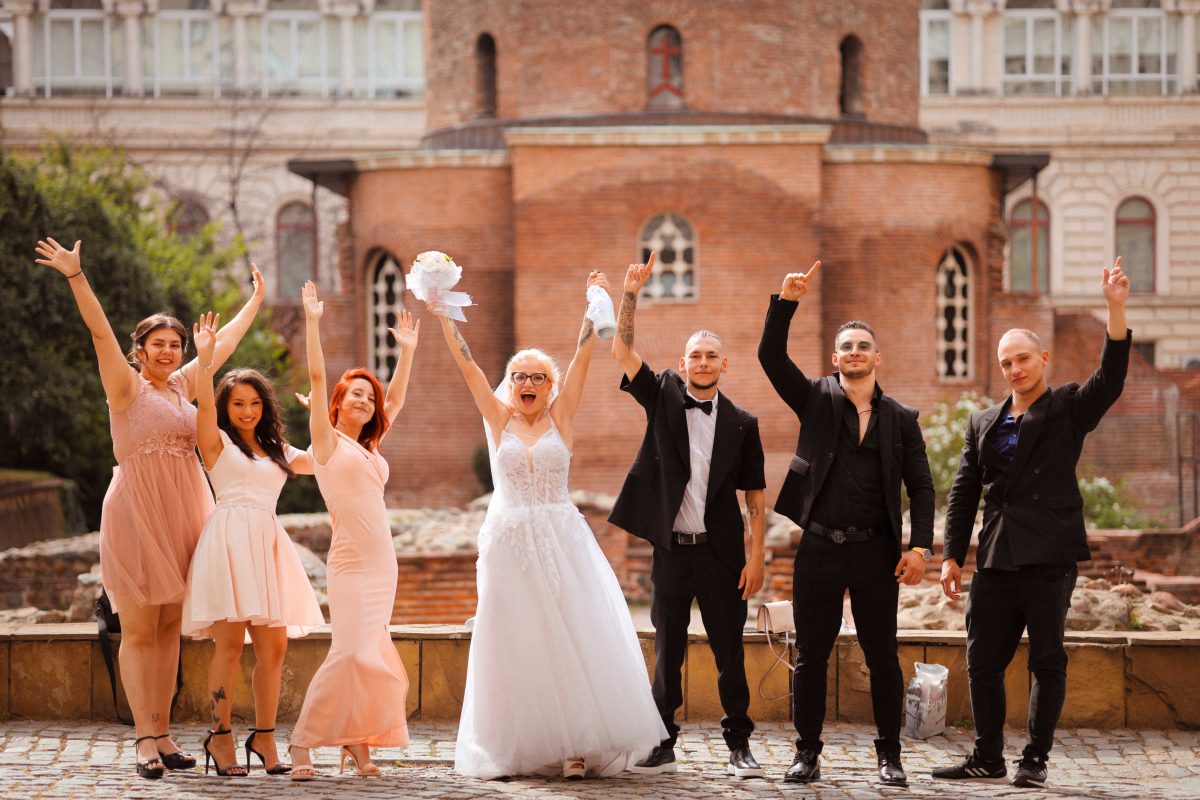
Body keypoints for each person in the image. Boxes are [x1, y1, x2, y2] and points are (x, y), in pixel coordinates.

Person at [35, 237, 264, 779]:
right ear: (139, 350)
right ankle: (143, 739)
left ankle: (163, 734)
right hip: (137, 510)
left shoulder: (183, 388)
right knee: (139, 630)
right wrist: (76, 276)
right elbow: (99, 332)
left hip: (185, 510)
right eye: (157, 344)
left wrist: (255, 300)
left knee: (168, 631)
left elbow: (224, 346)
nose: (167, 352)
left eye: (175, 345)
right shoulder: (125, 389)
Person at [428, 271, 665, 780]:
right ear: (510, 384)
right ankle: (513, 745)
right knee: (519, 641)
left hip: (562, 542)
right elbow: (468, 367)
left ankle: (576, 747)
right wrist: (446, 317)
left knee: (570, 638)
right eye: (520, 377)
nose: (528, 384)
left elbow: (582, 354)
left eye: (538, 378)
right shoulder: (498, 419)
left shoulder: (563, 418)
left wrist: (594, 300)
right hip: (510, 544)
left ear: (550, 387)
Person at [933, 258, 1131, 790]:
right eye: (1006, 363)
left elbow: (1110, 379)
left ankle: (1035, 760)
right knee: (981, 661)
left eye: (1023, 359)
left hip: (1048, 554)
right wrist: (951, 556)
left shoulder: (1066, 407)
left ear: (1042, 358)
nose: (1015, 369)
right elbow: (964, 492)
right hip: (996, 555)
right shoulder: (983, 421)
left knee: (1046, 660)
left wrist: (1114, 308)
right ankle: (987, 757)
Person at [756, 261, 935, 787]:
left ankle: (890, 756)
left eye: (863, 347)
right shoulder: (815, 398)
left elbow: (922, 487)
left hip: (877, 551)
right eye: (846, 348)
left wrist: (920, 548)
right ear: (835, 359)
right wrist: (786, 303)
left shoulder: (901, 418)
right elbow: (770, 357)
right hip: (819, 547)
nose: (855, 353)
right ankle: (807, 753)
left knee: (883, 655)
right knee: (811, 655)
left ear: (877, 358)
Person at [610, 257, 768, 779]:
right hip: (673, 551)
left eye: (711, 356)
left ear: (725, 365)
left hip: (723, 555)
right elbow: (622, 351)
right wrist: (630, 295)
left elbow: (755, 495)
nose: (703, 362)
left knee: (729, 653)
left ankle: (739, 743)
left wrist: (756, 558)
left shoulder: (743, 423)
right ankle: (663, 741)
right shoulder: (662, 395)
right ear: (683, 363)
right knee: (667, 651)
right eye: (695, 355)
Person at [181, 312, 325, 777]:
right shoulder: (216, 442)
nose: (247, 411)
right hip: (227, 542)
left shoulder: (278, 448)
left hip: (267, 545)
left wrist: (322, 408)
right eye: (239, 403)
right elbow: (204, 409)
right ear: (227, 407)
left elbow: (320, 459)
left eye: (255, 403)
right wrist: (206, 362)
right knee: (228, 646)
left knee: (275, 649)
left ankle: (264, 736)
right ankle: (220, 735)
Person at [287, 281, 419, 780]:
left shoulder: (371, 447)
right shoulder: (325, 443)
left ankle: (358, 746)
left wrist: (407, 352)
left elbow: (397, 398)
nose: (365, 401)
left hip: (383, 566)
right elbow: (317, 375)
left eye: (369, 397)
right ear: (338, 402)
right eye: (356, 394)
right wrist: (313, 321)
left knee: (369, 655)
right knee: (348, 653)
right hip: (349, 565)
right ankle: (301, 742)